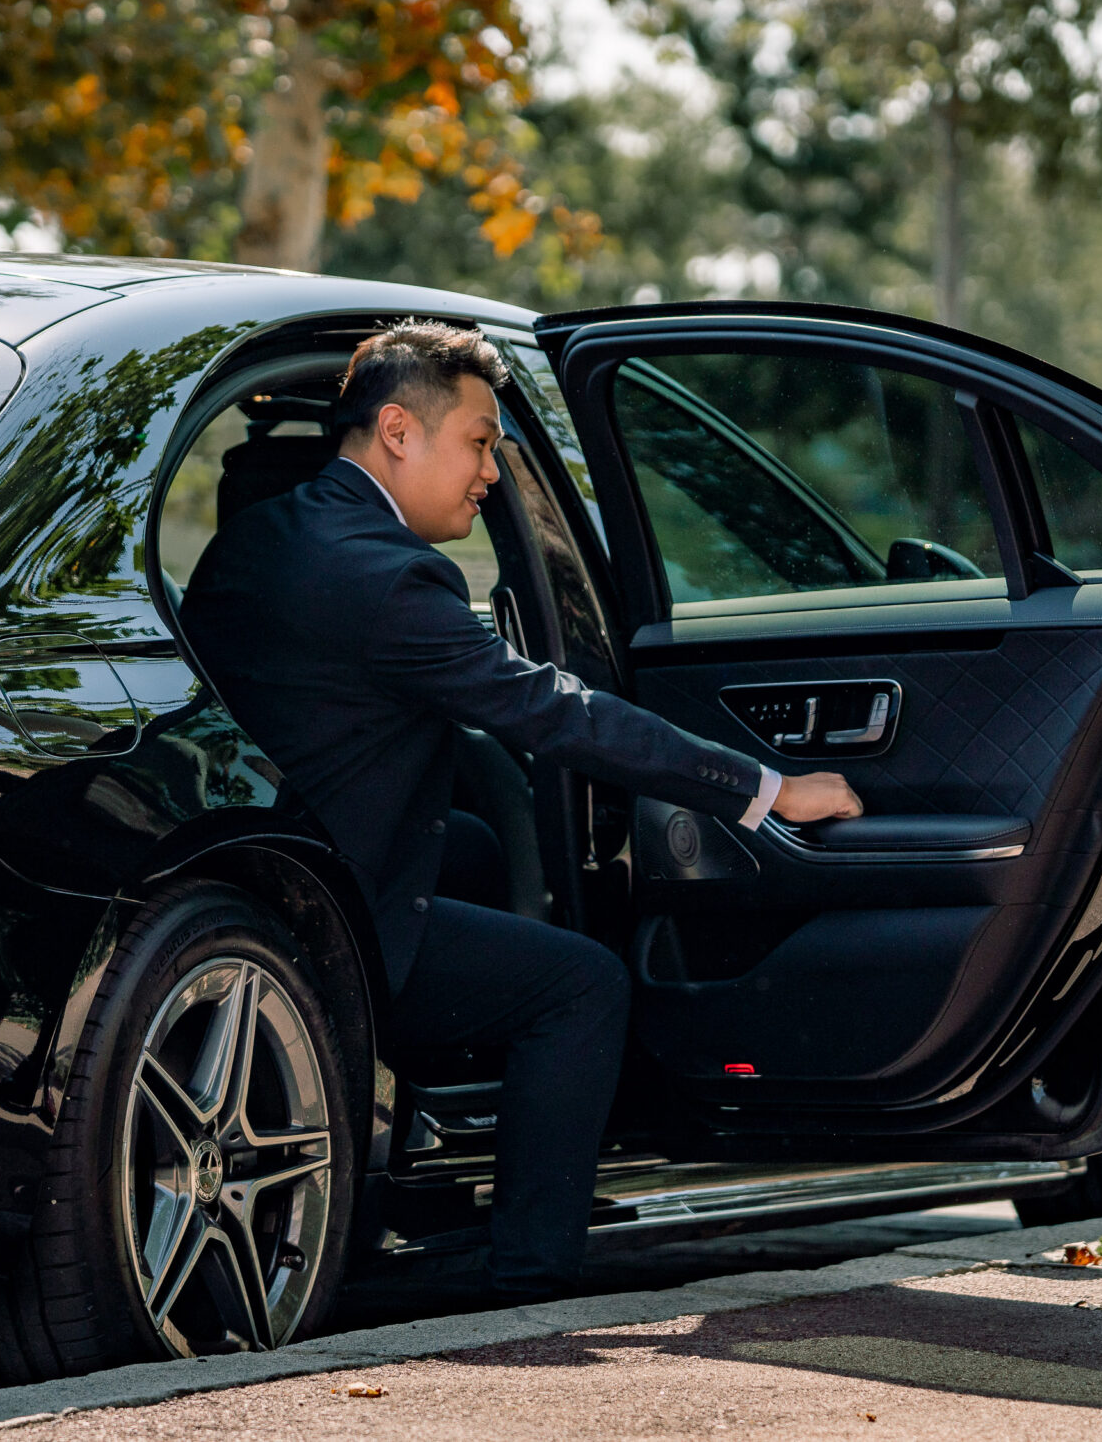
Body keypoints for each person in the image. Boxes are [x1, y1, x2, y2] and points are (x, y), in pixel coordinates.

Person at [179, 321, 863, 1297]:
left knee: (474, 844)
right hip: (338, 931)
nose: (492, 471)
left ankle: (440, 1123)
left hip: (266, 877)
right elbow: (555, 712)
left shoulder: (260, 536)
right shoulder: (391, 580)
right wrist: (765, 787)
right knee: (580, 987)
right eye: (480, 440)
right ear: (397, 431)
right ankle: (529, 1275)